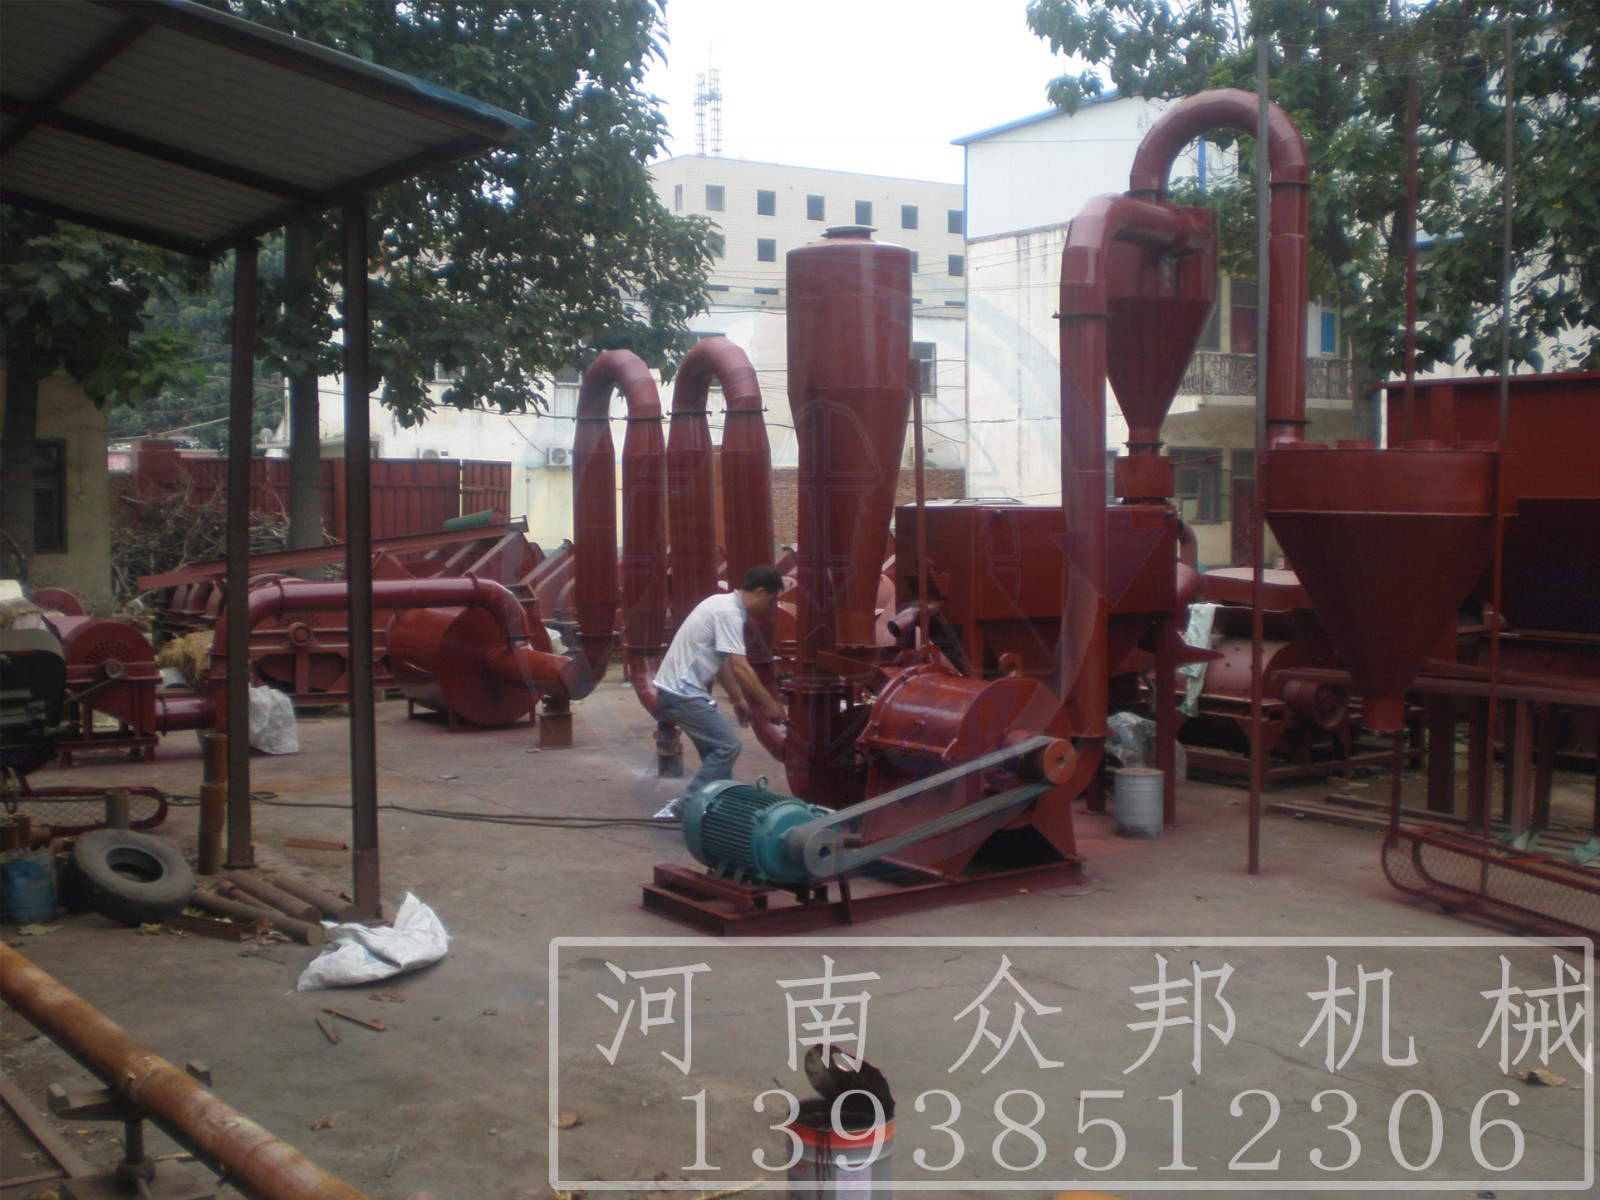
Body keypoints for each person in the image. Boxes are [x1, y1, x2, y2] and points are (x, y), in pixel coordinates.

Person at [651, 564, 788, 821]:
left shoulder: (719, 602)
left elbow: (722, 660)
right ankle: (682, 809)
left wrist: (738, 698)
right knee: (728, 746)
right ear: (760, 592)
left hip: (675, 691)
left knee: (714, 754)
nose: (769, 607)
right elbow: (740, 667)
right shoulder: (729, 613)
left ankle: (715, 809)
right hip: (682, 694)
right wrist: (770, 704)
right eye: (771, 600)